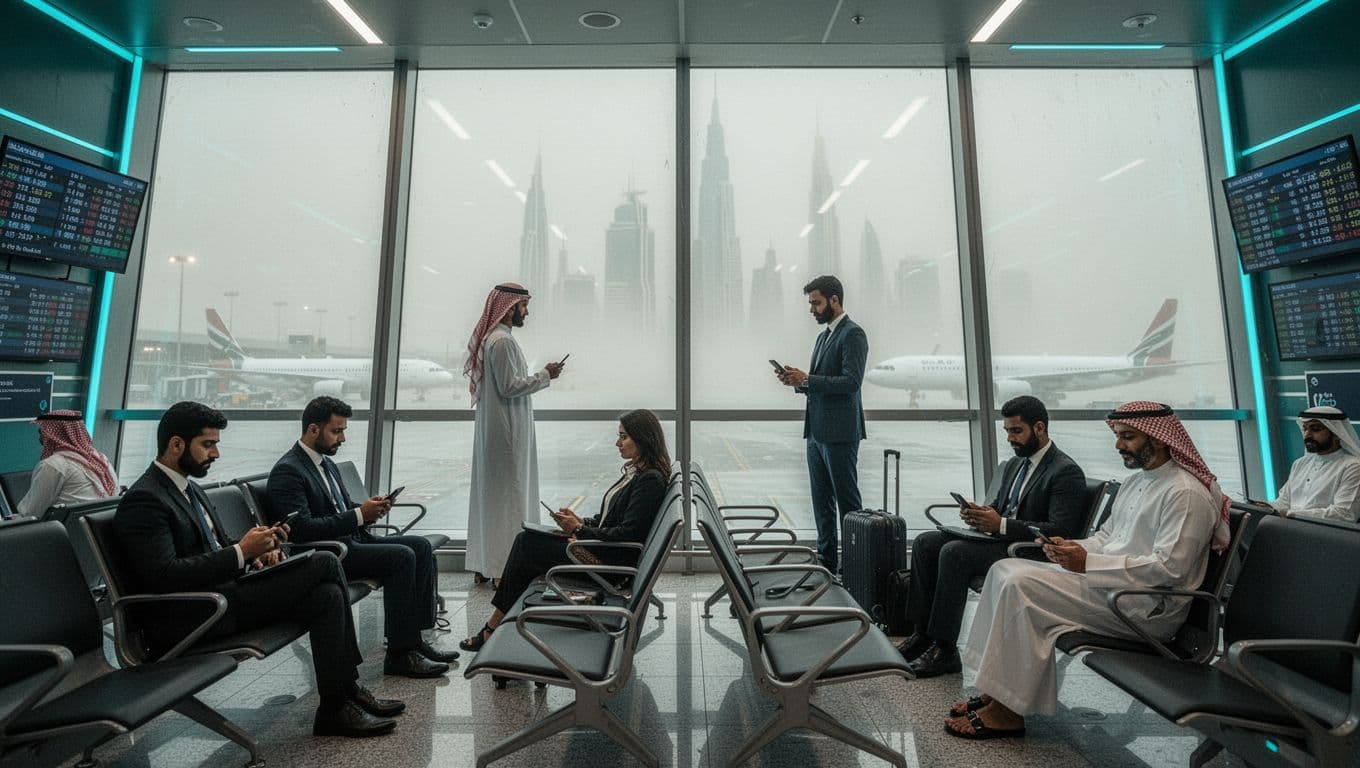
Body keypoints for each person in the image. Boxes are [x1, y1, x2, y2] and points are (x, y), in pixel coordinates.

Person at [114, 402, 402, 738]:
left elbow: (213, 548)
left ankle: (337, 704)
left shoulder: (188, 488)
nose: (216, 453)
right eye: (208, 445)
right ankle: (348, 689)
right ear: (176, 445)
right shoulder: (146, 500)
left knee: (325, 596)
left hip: (223, 594)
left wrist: (255, 554)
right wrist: (240, 553)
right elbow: (164, 575)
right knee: (324, 561)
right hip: (194, 613)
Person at [948, 401, 1222, 740]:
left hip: (1145, 606)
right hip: (1110, 587)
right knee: (1005, 569)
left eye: (1128, 437)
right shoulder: (1137, 483)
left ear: (1161, 438)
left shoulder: (1185, 494)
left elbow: (1169, 570)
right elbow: (1107, 538)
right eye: (1119, 436)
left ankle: (1008, 711)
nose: (1119, 445)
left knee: (1021, 585)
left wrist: (1088, 563)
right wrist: (1074, 549)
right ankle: (994, 689)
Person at [267, 396, 459, 679]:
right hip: (329, 554)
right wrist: (359, 516)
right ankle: (400, 655)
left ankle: (415, 641)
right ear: (313, 430)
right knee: (401, 557)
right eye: (337, 431)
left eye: (343, 430)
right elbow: (302, 530)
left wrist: (368, 510)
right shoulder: (288, 471)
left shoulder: (326, 464)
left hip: (352, 541)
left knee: (419, 547)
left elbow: (338, 509)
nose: (342, 438)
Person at [899, 396, 1087, 678]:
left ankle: (945, 649)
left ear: (1039, 428)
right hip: (1001, 540)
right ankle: (922, 634)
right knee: (926, 543)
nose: (1010, 438)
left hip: (1029, 550)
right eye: (1007, 432)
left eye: (1016, 431)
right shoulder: (1014, 465)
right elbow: (1001, 509)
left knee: (954, 553)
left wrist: (1000, 524)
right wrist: (981, 515)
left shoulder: (1064, 471)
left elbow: (1060, 531)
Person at [460, 409, 669, 652]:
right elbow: (612, 521)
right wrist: (581, 522)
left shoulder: (649, 480)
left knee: (526, 545)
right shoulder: (638, 474)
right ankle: (504, 627)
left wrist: (579, 530)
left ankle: (495, 627)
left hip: (607, 564)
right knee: (529, 542)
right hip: (602, 549)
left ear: (643, 439)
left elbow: (628, 534)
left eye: (623, 437)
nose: (617, 442)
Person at [464, 283, 565, 586]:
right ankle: (502, 570)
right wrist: (546, 375)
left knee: (495, 501)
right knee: (508, 502)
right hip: (506, 435)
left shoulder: (493, 339)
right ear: (510, 307)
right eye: (524, 306)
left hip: (499, 431)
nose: (527, 311)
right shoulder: (502, 341)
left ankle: (489, 564)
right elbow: (510, 387)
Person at [775, 275, 868, 574]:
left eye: (816, 303)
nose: (811, 309)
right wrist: (797, 382)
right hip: (816, 432)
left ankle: (856, 566)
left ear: (834, 300)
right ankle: (828, 562)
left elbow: (851, 382)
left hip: (839, 433)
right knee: (822, 503)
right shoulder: (823, 337)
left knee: (847, 504)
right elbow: (818, 384)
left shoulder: (853, 334)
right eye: (810, 303)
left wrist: (808, 379)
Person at [1253, 406, 1360, 523]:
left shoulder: (1353, 466)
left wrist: (1290, 514)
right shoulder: (1300, 464)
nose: (1307, 435)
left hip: (1328, 537)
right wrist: (1267, 507)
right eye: (1305, 429)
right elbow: (1284, 502)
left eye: (1315, 429)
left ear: (1336, 433)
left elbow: (1344, 514)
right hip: (1290, 529)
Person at [17, 410, 119, 518]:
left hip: (65, 531)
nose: (41, 437)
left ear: (53, 434)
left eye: (42, 431)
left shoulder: (53, 465)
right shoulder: (101, 459)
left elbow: (31, 513)